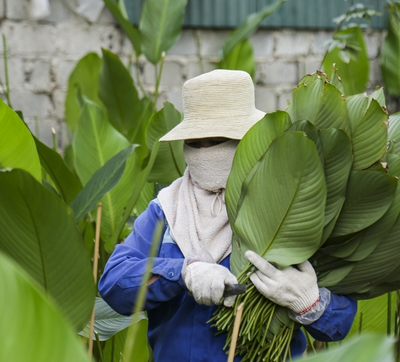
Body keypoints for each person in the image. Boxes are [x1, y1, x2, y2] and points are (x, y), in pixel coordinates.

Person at [98, 69, 357, 362]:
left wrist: (311, 302)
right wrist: (183, 272)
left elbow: (340, 324)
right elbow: (113, 282)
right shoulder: (167, 209)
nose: (205, 151)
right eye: (195, 142)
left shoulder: (288, 206)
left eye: (219, 140)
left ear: (249, 140)